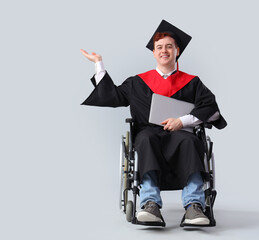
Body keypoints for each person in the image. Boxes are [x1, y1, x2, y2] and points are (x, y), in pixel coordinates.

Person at [80, 20, 227, 226]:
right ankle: (150, 204)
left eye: (169, 46)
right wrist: (99, 63)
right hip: (148, 134)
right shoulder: (138, 82)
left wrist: (182, 121)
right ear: (154, 52)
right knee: (146, 139)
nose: (164, 50)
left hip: (182, 134)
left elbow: (211, 110)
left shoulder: (192, 82)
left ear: (177, 51)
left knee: (191, 142)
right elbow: (112, 96)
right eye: (159, 47)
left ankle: (194, 206)